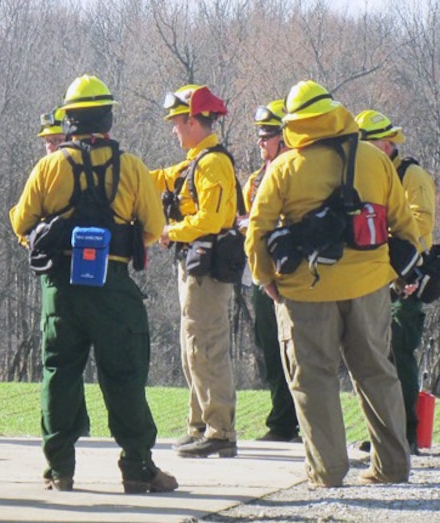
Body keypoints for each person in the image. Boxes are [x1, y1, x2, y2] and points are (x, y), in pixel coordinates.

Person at [245, 80, 419, 487]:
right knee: (377, 371)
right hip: (370, 286)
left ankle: (327, 472)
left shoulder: (285, 167)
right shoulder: (375, 161)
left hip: (305, 291)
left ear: (292, 124)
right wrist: (393, 272)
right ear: (334, 113)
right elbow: (404, 224)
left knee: (313, 379)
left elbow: (257, 229)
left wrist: (265, 277)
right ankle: (392, 466)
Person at [10, 75, 176, 494]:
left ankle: (59, 470)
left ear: (70, 120)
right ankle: (138, 468)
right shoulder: (134, 168)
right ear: (108, 118)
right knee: (124, 375)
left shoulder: (49, 166)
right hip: (113, 285)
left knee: (59, 373)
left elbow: (20, 222)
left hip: (61, 288)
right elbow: (154, 228)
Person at [152, 84, 239, 458]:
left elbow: (213, 219)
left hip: (205, 268)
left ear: (192, 120)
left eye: (176, 122)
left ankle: (220, 431)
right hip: (192, 265)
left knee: (206, 347)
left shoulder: (212, 163)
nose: (173, 129)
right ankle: (200, 424)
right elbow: (158, 178)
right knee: (192, 348)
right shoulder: (194, 162)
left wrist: (171, 231)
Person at [356, 109, 436, 456]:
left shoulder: (411, 175)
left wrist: (405, 270)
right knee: (375, 356)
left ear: (387, 144)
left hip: (404, 276)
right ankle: (381, 430)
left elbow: (419, 227)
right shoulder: (370, 173)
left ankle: (404, 432)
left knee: (399, 353)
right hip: (376, 274)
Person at [244, 100, 300, 443]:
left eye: (267, 136)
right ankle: (281, 421)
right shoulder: (254, 180)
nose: (261, 143)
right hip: (261, 274)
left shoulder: (297, 172)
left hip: (291, 272)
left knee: (300, 352)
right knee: (270, 349)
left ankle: (299, 419)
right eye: (259, 136)